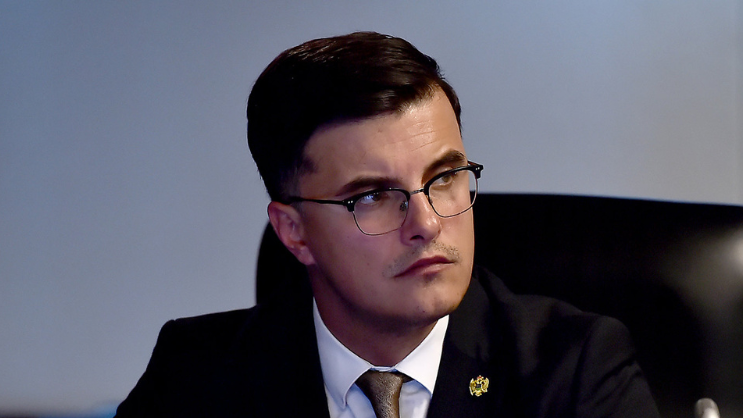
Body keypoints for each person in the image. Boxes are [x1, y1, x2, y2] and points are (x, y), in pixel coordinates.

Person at [115, 31, 660, 418]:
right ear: (293, 232)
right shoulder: (196, 377)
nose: (426, 223)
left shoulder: (573, 370)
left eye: (444, 177)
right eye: (373, 196)